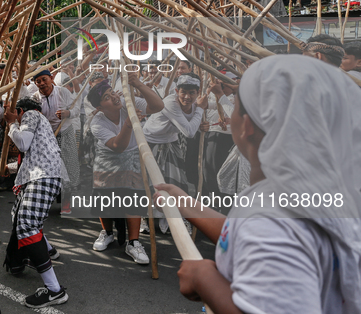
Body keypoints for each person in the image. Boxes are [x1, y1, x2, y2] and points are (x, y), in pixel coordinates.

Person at [154, 55, 361, 314]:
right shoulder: (309, 188)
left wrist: (204, 280)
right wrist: (186, 204)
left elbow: (265, 234)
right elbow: (245, 234)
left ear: (247, 126)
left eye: (237, 105)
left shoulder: (273, 220)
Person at [88, 74, 164, 264]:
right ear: (99, 108)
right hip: (107, 161)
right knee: (104, 200)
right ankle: (106, 233)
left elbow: (158, 107)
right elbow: (117, 146)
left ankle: (134, 242)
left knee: (133, 199)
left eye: (112, 92)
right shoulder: (97, 122)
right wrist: (130, 124)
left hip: (132, 159)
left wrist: (138, 83)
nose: (114, 97)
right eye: (106, 97)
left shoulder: (126, 100)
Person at [3, 97, 68, 308]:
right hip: (42, 175)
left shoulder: (30, 115)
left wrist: (12, 123)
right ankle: (48, 251)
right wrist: (10, 168)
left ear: (20, 110)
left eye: (16, 113)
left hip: (43, 176)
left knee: (27, 226)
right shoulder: (40, 121)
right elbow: (34, 156)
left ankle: (54, 291)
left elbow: (23, 143)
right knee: (20, 217)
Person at [142, 72, 207, 234]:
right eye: (183, 92)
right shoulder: (171, 102)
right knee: (150, 182)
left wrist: (202, 124)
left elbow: (193, 124)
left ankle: (173, 218)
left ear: (197, 93)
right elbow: (189, 132)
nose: (187, 97)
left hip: (171, 142)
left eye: (192, 93)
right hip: (151, 142)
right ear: (176, 91)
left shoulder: (197, 104)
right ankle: (145, 217)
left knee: (176, 182)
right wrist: (200, 110)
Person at [32, 70, 80, 211]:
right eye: (38, 81)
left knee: (69, 165)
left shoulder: (63, 92)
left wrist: (68, 113)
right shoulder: (34, 97)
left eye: (44, 79)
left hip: (65, 132)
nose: (42, 83)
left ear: (51, 79)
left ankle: (66, 202)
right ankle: (48, 199)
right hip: (46, 136)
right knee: (49, 168)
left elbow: (76, 108)